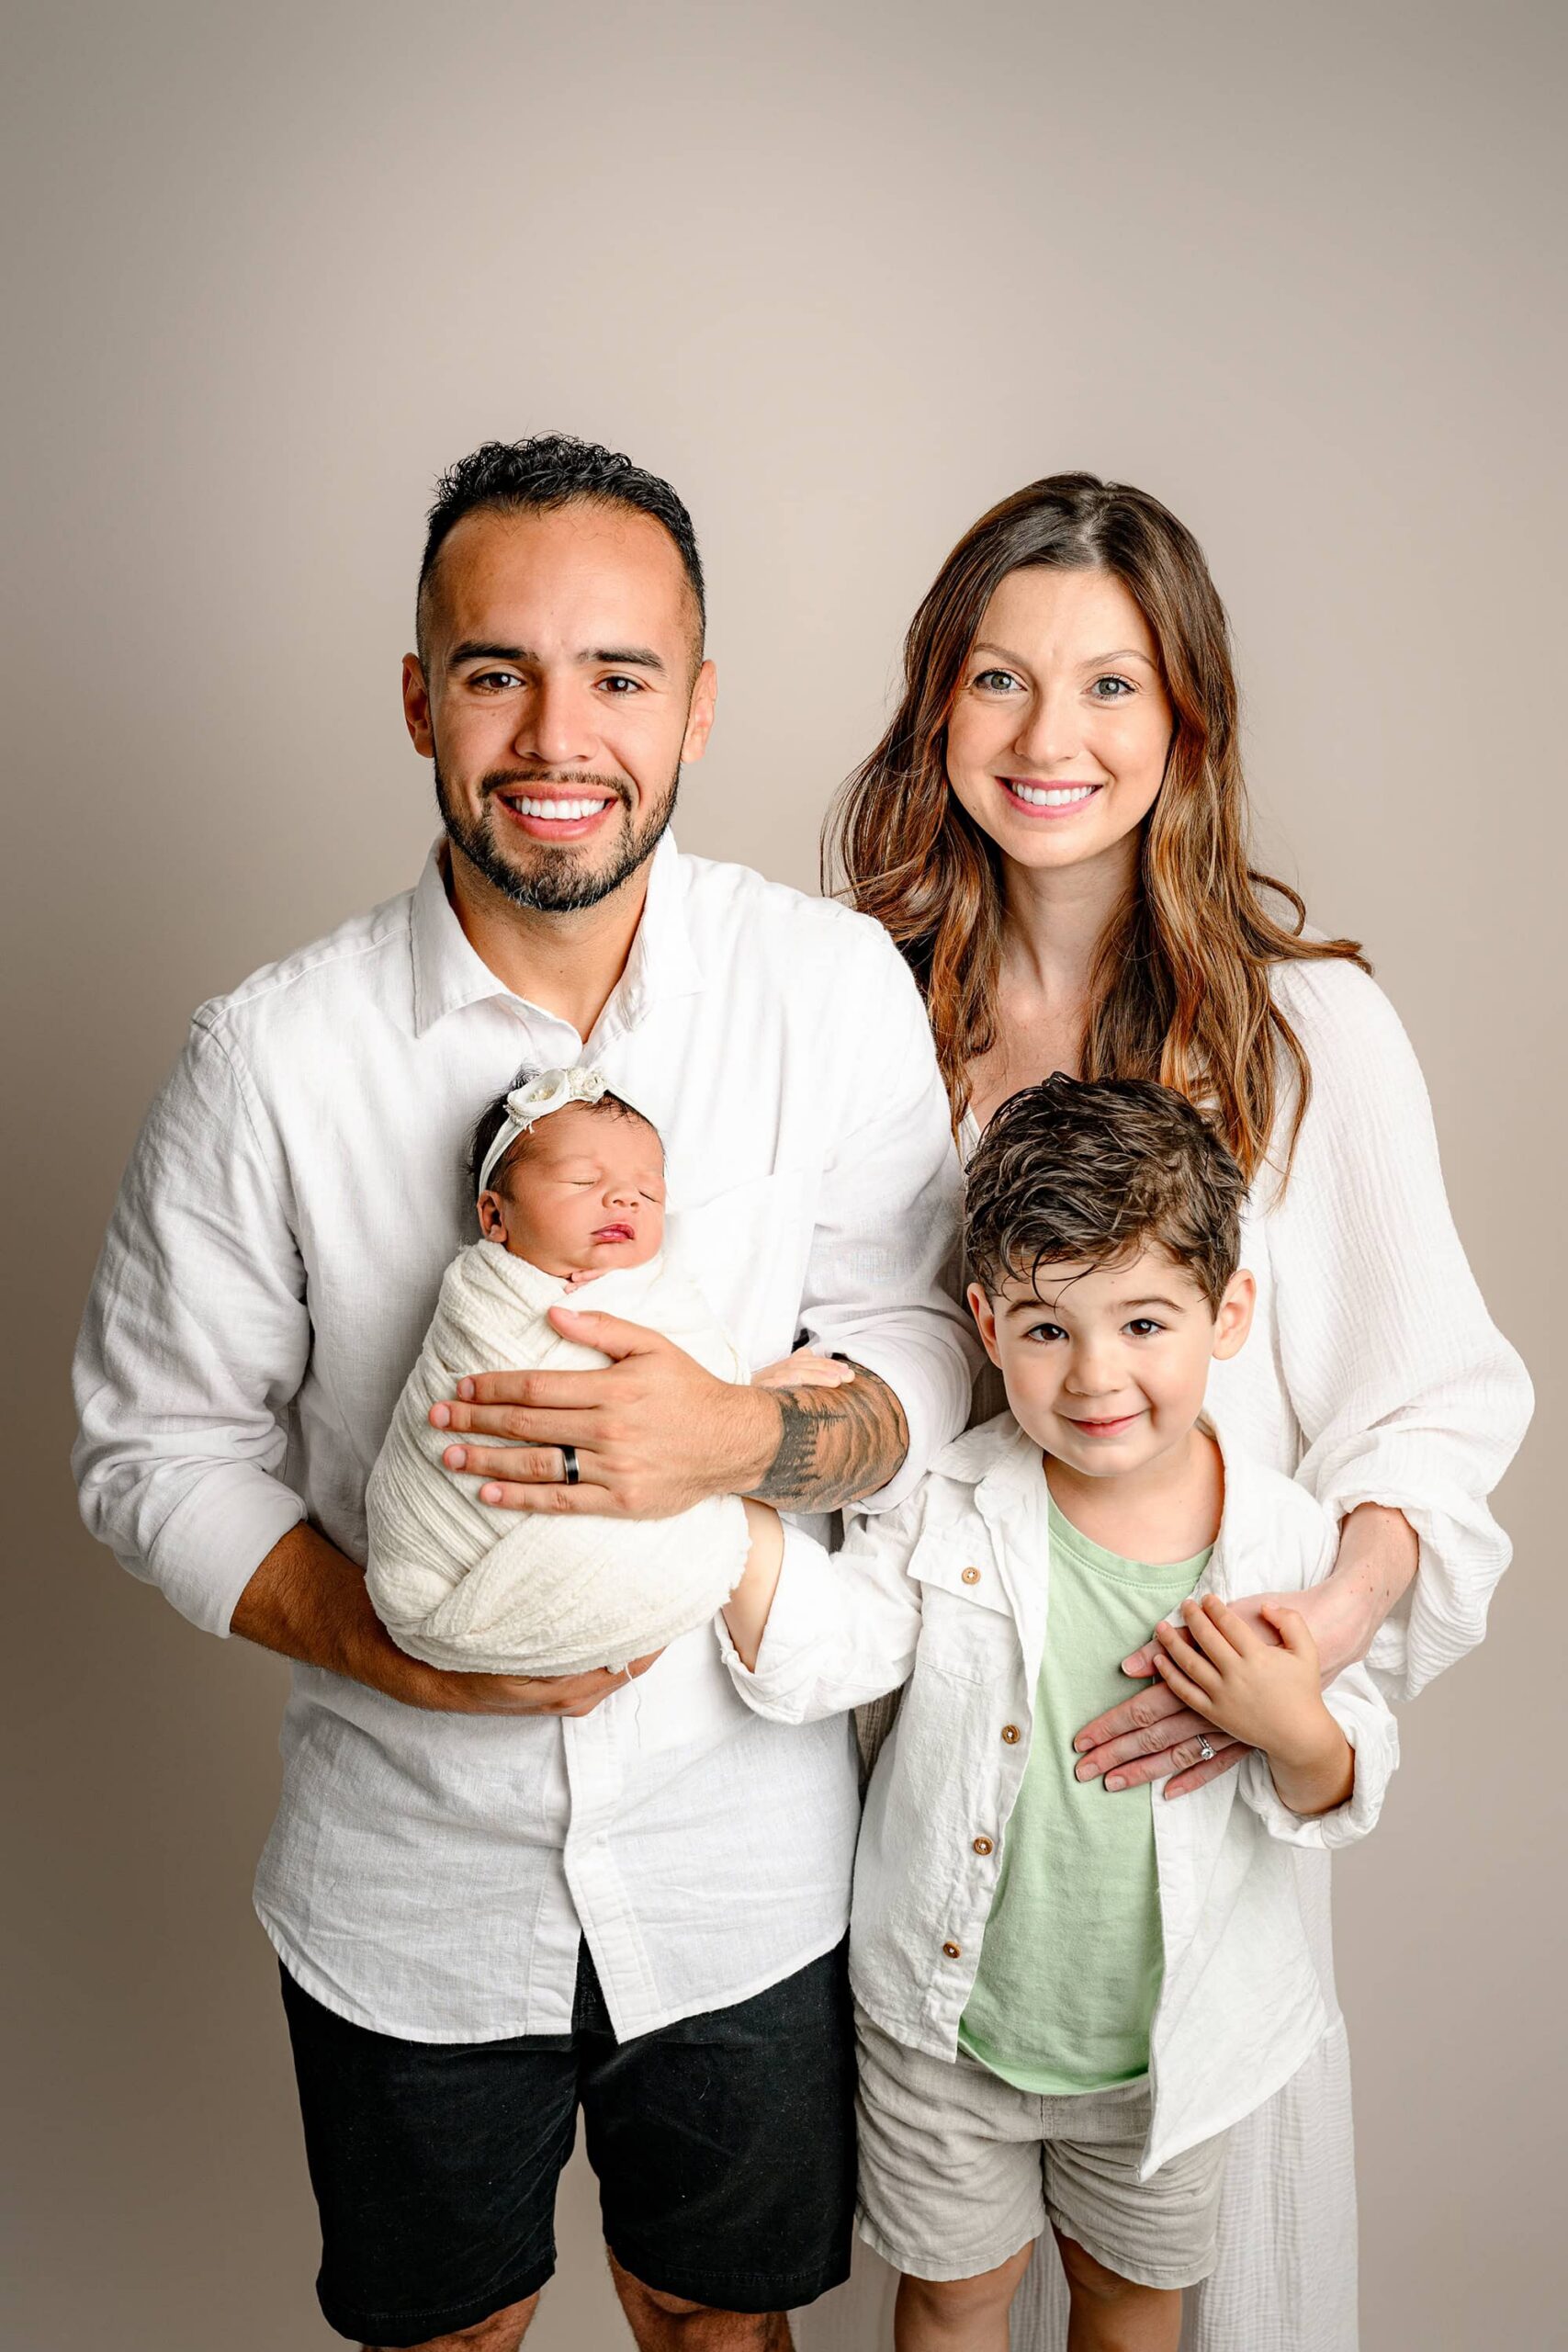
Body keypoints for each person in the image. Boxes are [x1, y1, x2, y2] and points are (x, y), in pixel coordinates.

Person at [72, 434, 978, 2352]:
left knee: (714, 2324)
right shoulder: (270, 1055)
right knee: (446, 2335)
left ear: (700, 707)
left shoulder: (821, 990)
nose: (556, 735)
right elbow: (153, 1448)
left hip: (746, 1865)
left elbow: (921, 1340)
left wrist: (743, 1434)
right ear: (419, 695)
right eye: (497, 670)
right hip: (404, 1877)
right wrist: (393, 1644)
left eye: (618, 675)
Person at [829, 472, 1531, 2347]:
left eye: (1110, 684)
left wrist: (1323, 1619)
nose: (1049, 737)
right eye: (995, 678)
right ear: (933, 707)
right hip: (907, 1804)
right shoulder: (851, 1023)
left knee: (1184, 2293)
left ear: (1185, 718)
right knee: (936, 2278)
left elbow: (1434, 1406)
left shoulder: (1307, 1036)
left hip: (1187, 1809)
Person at [719, 1074, 1399, 2352]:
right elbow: (825, 1652)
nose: (1095, 1377)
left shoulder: (1282, 1541)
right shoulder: (944, 1500)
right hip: (946, 2024)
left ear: (1226, 1311)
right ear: (982, 1323)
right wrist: (737, 1480)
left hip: (1162, 2047)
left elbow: (1342, 1779)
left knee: (1129, 2310)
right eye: (1044, 1329)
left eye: (1143, 1323)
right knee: (954, 2302)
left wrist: (1285, 1720)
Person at [365, 1062, 844, 1678]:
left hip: (636, 1600)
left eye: (648, 1194)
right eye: (582, 1180)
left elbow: (700, 1410)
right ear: (493, 1217)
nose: (623, 1198)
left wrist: (746, 1398)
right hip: (445, 1573)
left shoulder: (659, 1295)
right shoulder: (480, 1299)